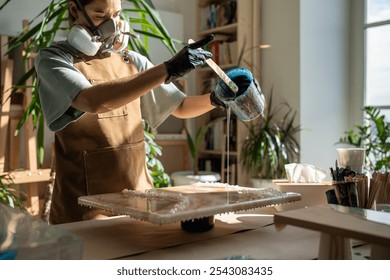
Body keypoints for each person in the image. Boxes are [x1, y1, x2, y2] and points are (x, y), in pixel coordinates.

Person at [35, 0, 224, 224]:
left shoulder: (132, 61)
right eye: (100, 16)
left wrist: (218, 98)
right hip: (83, 209)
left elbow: (181, 106)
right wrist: (168, 69)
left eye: (116, 15)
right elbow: (92, 100)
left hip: (139, 201)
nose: (112, 26)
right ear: (74, 10)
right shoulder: (53, 60)